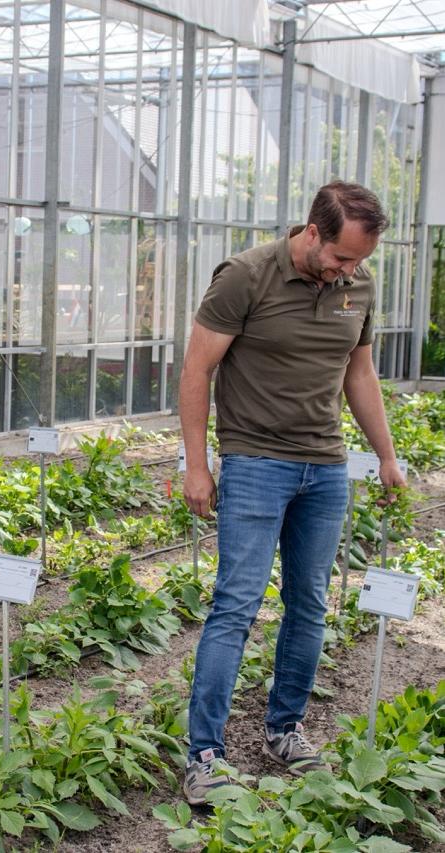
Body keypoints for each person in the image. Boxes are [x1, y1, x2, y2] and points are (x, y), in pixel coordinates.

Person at [179, 182, 406, 805]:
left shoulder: (357, 285)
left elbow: (359, 373)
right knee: (236, 606)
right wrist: (198, 466)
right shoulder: (245, 277)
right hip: (255, 462)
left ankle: (284, 731)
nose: (346, 272)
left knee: (309, 605)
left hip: (325, 468)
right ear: (312, 232)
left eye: (357, 263)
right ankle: (205, 754)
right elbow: (197, 369)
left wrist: (385, 455)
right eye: (339, 258)